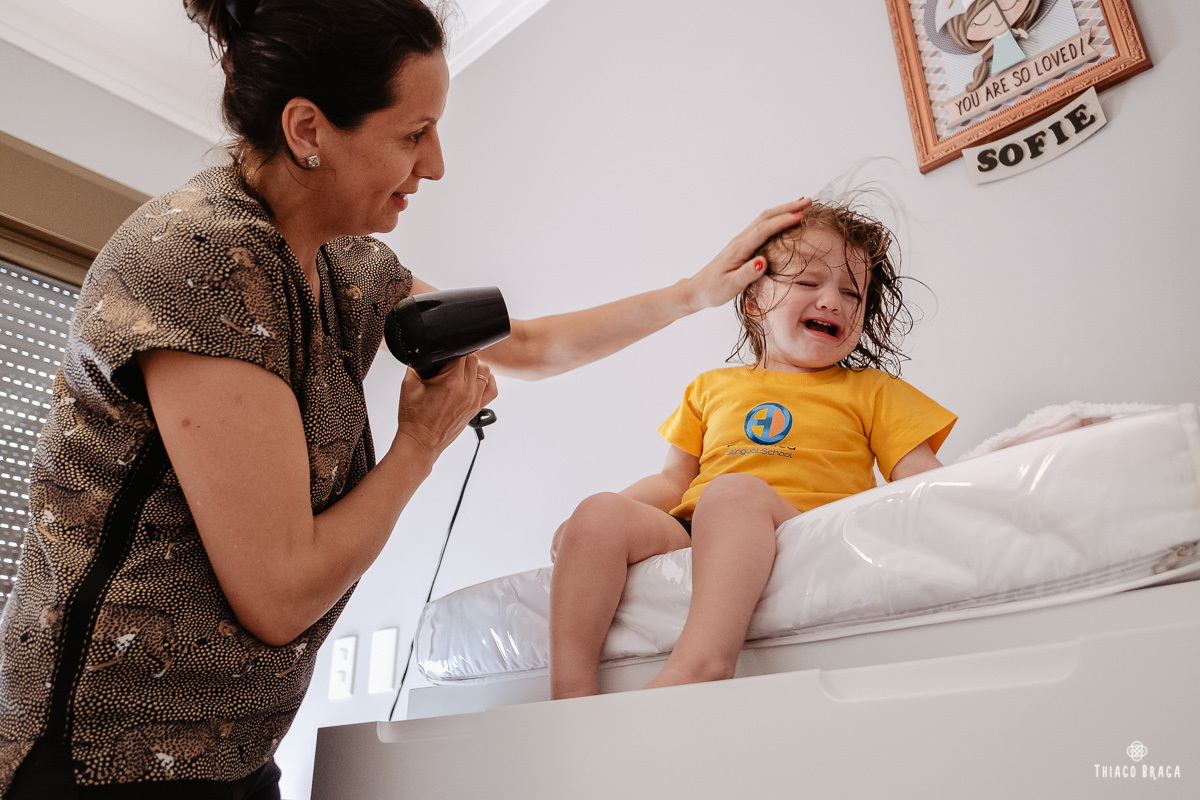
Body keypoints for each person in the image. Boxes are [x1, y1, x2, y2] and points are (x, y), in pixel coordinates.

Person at [0, 0, 811, 796]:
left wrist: (695, 292)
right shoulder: (200, 262)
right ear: (308, 130)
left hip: (231, 752)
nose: (436, 164)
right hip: (94, 760)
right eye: (413, 134)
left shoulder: (349, 268)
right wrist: (419, 447)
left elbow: (527, 345)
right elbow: (280, 594)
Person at [548, 198, 957, 699]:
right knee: (598, 512)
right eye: (808, 283)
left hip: (799, 524)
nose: (833, 301)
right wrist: (587, 530)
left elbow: (923, 478)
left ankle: (700, 667)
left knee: (733, 493)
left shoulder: (873, 390)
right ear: (754, 300)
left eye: (853, 293)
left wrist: (1001, 469)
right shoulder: (711, 387)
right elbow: (673, 482)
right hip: (699, 529)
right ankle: (570, 696)